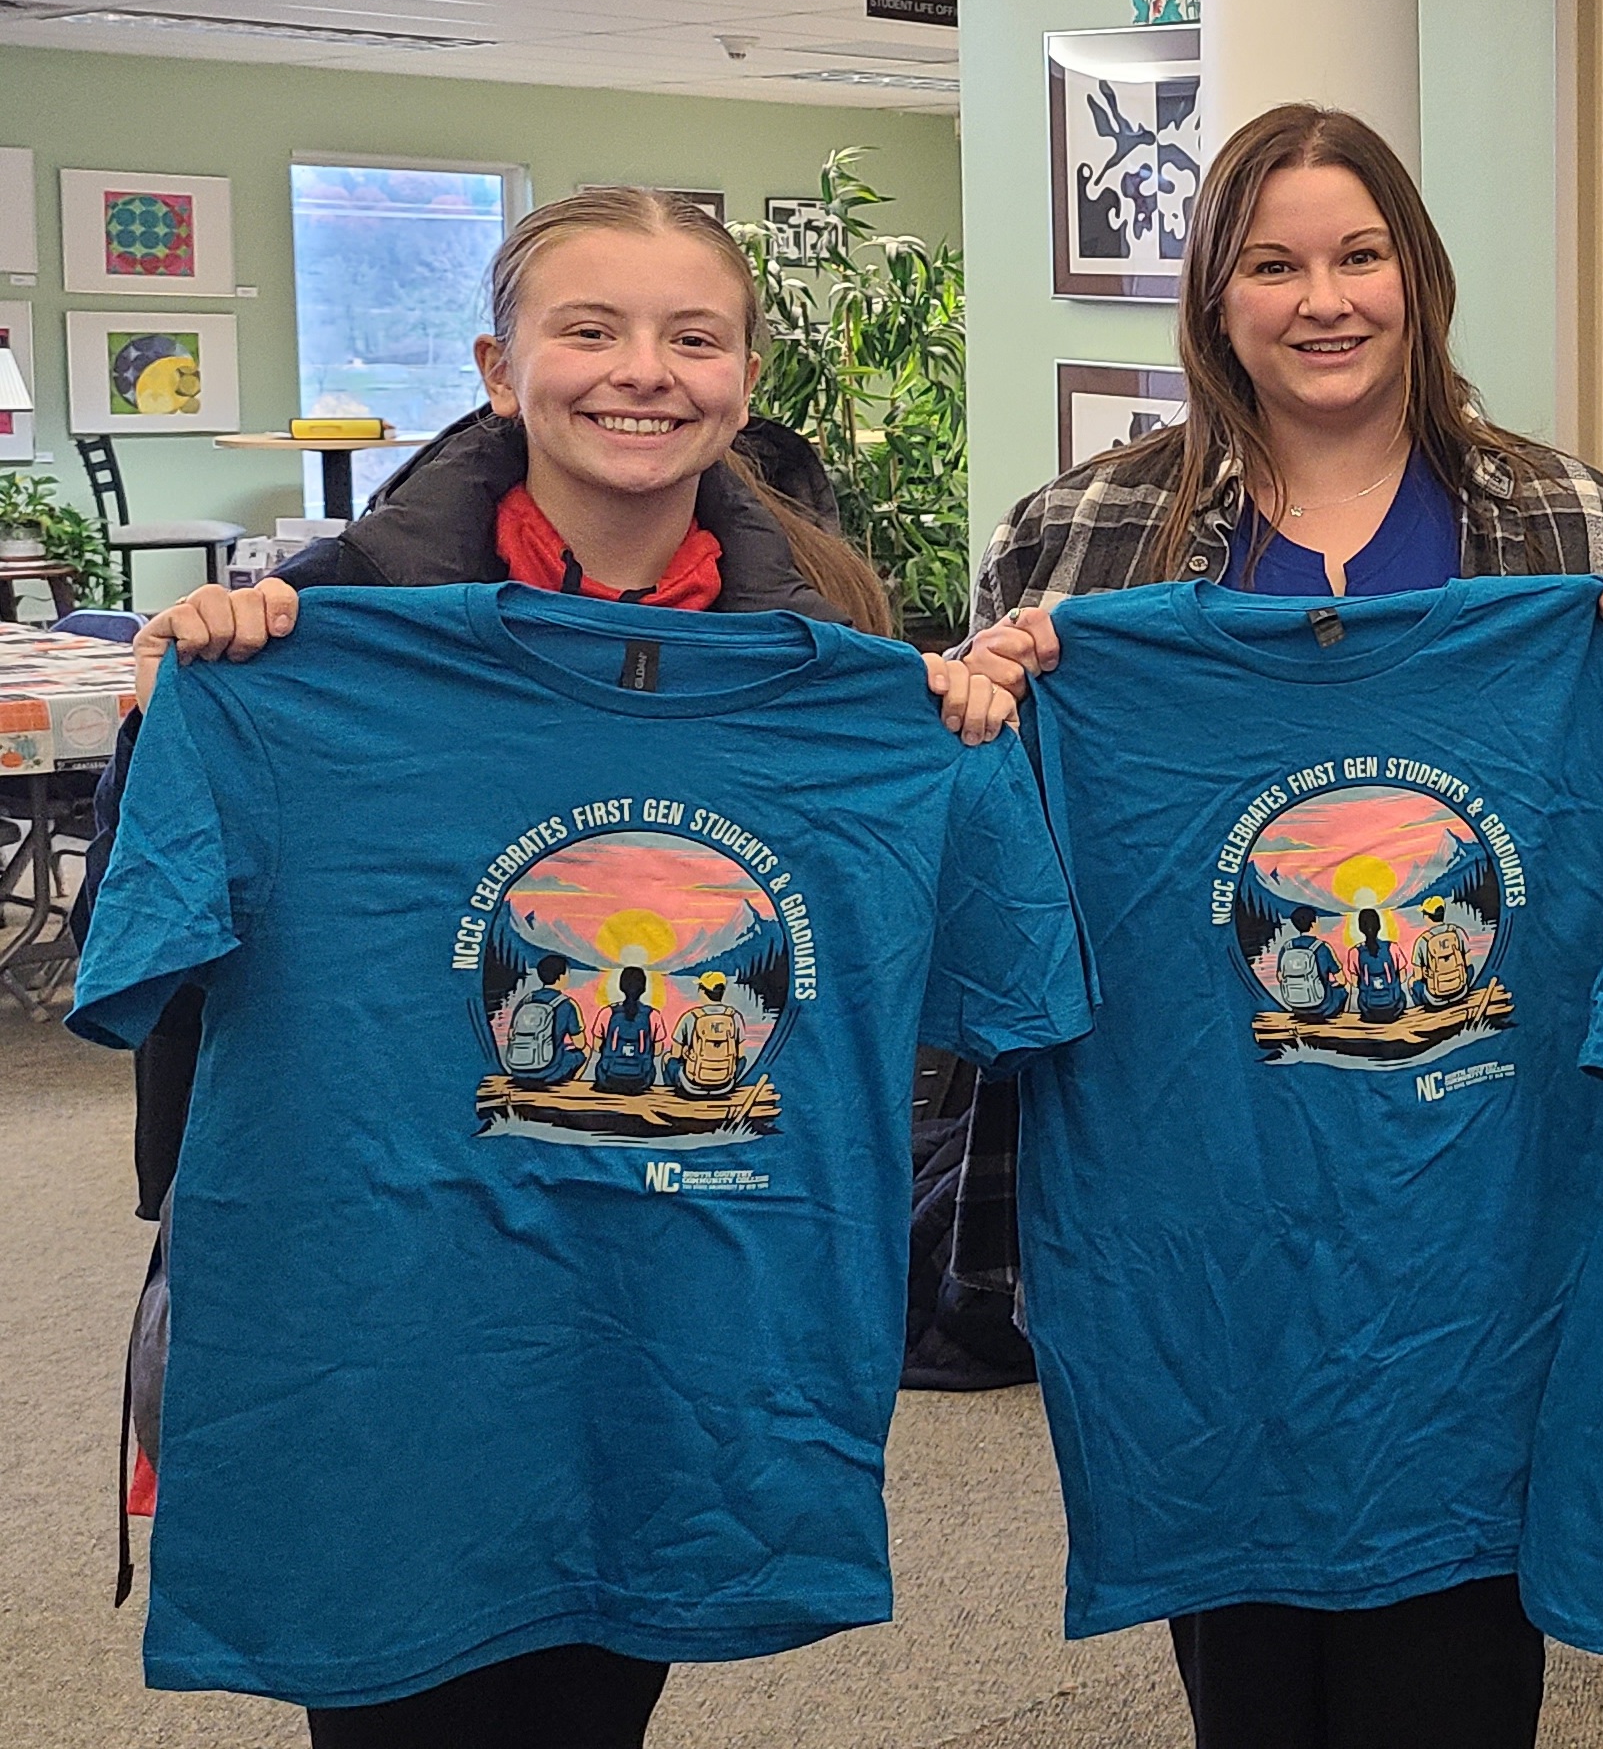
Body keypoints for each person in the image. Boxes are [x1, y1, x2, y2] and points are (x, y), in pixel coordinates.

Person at [80, 183, 1013, 1749]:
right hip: (391, 1318)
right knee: (398, 1689)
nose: (641, 370)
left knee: (595, 1693)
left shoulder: (835, 651)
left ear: (744, 375)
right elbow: (144, 956)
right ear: (498, 368)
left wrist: (962, 730)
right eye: (588, 329)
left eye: (690, 336)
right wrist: (167, 713)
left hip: (680, 1325)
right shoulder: (320, 626)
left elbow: (958, 997)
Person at [958, 102, 1603, 1749]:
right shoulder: (1080, 537)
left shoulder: (1563, 522)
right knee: (1248, 1653)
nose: (1325, 298)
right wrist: (982, 715)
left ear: (1416, 277)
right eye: (1274, 263)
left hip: (1480, 1188)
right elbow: (992, 867)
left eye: (1359, 255)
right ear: (1213, 298)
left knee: (1452, 1659)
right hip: (1205, 1189)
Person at [502, 955, 589, 1087]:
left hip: (518, 1069)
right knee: (585, 1051)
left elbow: (511, 1035)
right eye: (567, 973)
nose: (568, 977)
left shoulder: (526, 1000)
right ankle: (570, 1086)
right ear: (560, 977)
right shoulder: (566, 1004)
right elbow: (580, 1044)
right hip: (547, 1072)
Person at [670, 973, 746, 1098]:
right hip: (725, 1084)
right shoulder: (735, 1017)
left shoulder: (690, 1017)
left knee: (668, 1059)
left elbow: (675, 1054)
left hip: (692, 1085)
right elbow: (741, 1055)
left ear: (702, 991)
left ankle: (677, 1095)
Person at [594, 968, 662, 1095]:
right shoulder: (653, 1015)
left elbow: (596, 1047)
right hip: (642, 1080)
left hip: (608, 1079)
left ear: (621, 986)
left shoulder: (607, 1013)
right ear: (643, 988)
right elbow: (657, 1051)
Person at [1274, 907, 1341, 1018]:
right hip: (1322, 1007)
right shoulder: (1321, 947)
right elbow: (1341, 979)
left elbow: (1280, 977)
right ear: (1313, 923)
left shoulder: (1286, 947)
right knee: (1341, 991)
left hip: (1294, 1004)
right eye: (1317, 919)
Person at [1348, 906, 1407, 1023]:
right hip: (1394, 1008)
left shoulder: (1354, 952)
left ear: (1360, 928)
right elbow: (1403, 977)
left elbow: (1354, 983)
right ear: (1379, 926)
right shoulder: (1392, 947)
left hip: (1368, 1009)